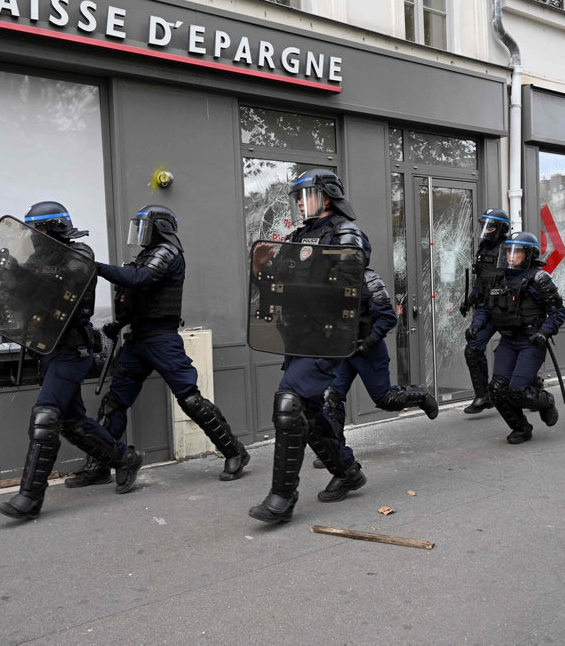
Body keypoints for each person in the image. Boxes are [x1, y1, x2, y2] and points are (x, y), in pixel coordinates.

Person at [76, 204, 250, 491]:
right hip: (138, 340)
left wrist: (96, 268)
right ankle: (100, 464)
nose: (141, 234)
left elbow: (140, 280)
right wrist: (118, 325)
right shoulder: (147, 256)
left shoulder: (168, 253)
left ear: (161, 228)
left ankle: (234, 452)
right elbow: (139, 298)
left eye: (146, 227)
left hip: (162, 340)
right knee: (114, 403)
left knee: (190, 400)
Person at [0, 201, 142, 520]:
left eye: (40, 231)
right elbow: (27, 295)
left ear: (54, 229)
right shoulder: (37, 259)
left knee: (45, 417)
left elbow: (58, 283)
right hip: (49, 351)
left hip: (71, 352)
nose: (34, 238)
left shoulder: (81, 255)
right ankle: (124, 459)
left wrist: (23, 273)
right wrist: (7, 271)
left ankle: (29, 498)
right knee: (73, 423)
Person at [248, 169, 370, 524]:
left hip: (327, 337)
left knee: (289, 403)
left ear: (328, 196)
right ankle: (347, 471)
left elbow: (348, 293)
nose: (301, 204)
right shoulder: (299, 236)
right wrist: (261, 269)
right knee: (311, 413)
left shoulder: (346, 234)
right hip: (298, 338)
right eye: (298, 198)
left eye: (308, 196)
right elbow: (276, 286)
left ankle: (282, 497)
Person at [318, 256, 439, 468]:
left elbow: (388, 317)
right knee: (331, 398)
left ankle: (421, 395)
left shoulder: (369, 280)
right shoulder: (331, 280)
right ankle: (335, 451)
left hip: (369, 352)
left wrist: (369, 342)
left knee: (385, 399)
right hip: (343, 351)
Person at [469, 231, 565, 444]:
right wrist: (476, 325)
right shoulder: (499, 277)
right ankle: (521, 427)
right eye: (508, 252)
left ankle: (546, 401)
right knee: (496, 390)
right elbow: (487, 307)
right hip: (508, 341)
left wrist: (544, 332)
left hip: (531, 341)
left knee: (518, 391)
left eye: (517, 252)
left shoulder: (539, 278)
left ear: (528, 255)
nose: (511, 256)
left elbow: (557, 312)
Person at [459, 209, 512, 415]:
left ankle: (529, 387)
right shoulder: (482, 249)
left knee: (517, 347)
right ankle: (483, 396)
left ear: (500, 229)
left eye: (490, 226)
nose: (486, 230)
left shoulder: (509, 250)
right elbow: (480, 282)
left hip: (506, 309)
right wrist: (469, 300)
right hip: (486, 310)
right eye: (485, 226)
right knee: (472, 349)